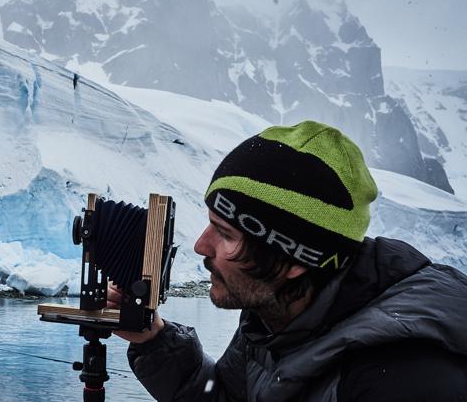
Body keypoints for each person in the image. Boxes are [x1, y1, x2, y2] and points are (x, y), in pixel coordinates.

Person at [108, 120, 467, 401]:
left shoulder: (400, 381)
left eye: (227, 234)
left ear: (294, 259)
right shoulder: (275, 311)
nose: (201, 246)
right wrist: (153, 341)